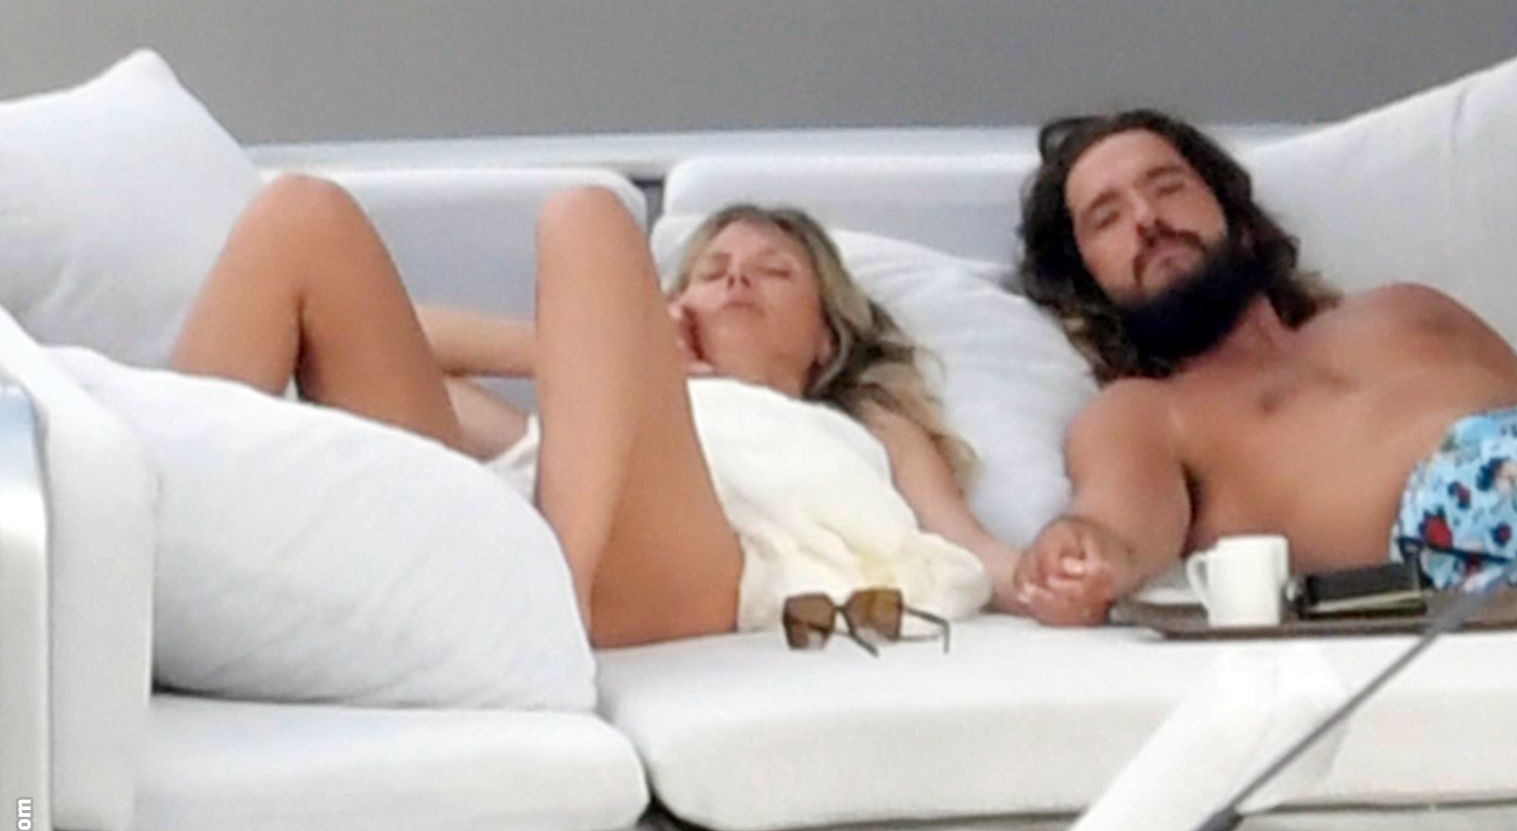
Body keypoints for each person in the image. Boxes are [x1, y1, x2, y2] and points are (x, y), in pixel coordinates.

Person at [171, 175, 1019, 647]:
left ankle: (551, 618)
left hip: (700, 558)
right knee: (299, 216)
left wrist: (1051, 573)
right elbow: (408, 341)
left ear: (827, 333)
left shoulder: (865, 419)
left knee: (587, 215)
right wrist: (596, 345)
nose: (734, 278)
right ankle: (159, 574)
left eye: (773, 271)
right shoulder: (560, 440)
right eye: (711, 270)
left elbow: (971, 546)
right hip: (521, 532)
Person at [1008, 109, 1517, 626]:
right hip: (1454, 509)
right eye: (1106, 217)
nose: (1146, 218)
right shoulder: (1148, 410)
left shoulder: (1407, 309)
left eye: (1167, 186)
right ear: (1087, 281)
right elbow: (1118, 525)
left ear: (1235, 216)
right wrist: (1083, 553)